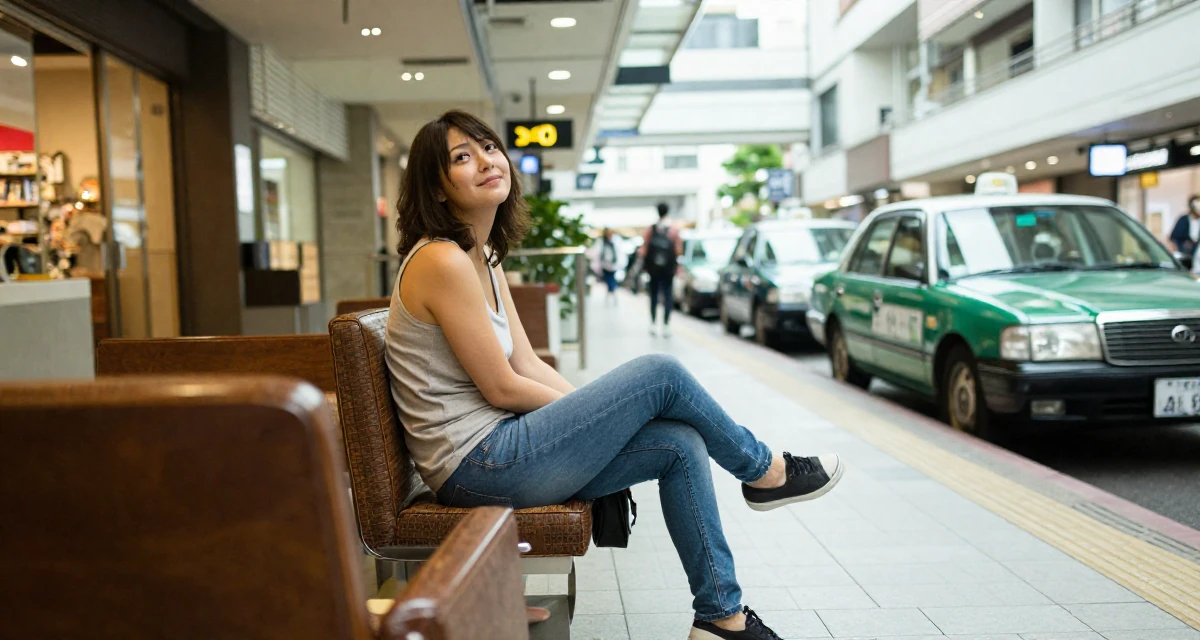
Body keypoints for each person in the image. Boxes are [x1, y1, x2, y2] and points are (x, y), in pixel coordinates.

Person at [385, 110, 844, 640]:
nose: (487, 160)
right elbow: (502, 388)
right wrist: (601, 419)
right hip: (477, 465)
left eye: (489, 147)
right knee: (660, 372)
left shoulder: (480, 257)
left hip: (501, 449)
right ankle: (764, 470)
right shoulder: (441, 262)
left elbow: (526, 363)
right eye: (461, 157)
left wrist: (597, 422)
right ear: (437, 189)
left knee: (679, 443)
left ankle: (722, 618)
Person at [640, 202, 682, 337]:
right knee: (668, 295)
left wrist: (644, 266)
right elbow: (678, 250)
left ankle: (652, 324)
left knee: (653, 295)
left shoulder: (651, 230)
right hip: (668, 269)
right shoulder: (673, 230)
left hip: (653, 269)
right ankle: (666, 325)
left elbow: (643, 250)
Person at [597, 228, 620, 303]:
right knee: (609, 280)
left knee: (611, 280)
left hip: (612, 266)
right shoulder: (602, 243)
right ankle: (611, 291)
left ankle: (611, 291)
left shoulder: (613, 242)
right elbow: (600, 254)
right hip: (605, 265)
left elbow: (616, 255)